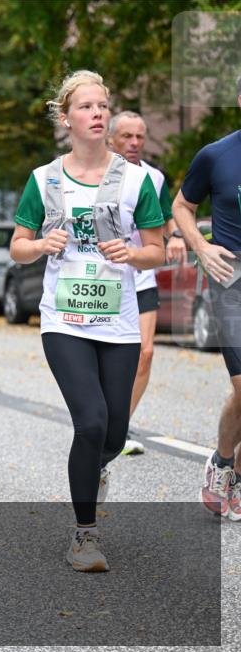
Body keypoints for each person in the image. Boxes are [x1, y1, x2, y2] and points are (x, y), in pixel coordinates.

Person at [10, 71, 165, 572]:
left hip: (117, 320)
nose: (98, 113)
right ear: (66, 118)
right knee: (91, 421)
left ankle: (94, 467)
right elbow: (17, 246)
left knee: (114, 435)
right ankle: (84, 537)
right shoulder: (45, 179)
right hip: (65, 320)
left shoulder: (138, 180)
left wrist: (134, 255)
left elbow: (159, 251)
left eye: (103, 106)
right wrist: (40, 245)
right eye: (86, 107)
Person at [172, 74, 241, 521]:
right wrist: (199, 245)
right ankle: (222, 460)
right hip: (232, 278)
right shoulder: (215, 155)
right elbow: (182, 206)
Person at [108, 111, 189, 454]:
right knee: (108, 356)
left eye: (139, 136)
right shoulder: (97, 175)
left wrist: (177, 237)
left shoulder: (153, 178)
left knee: (145, 353)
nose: (134, 143)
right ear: (111, 139)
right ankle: (101, 422)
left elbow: (165, 219)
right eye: (126, 136)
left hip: (142, 277)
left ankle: (118, 431)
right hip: (107, 280)